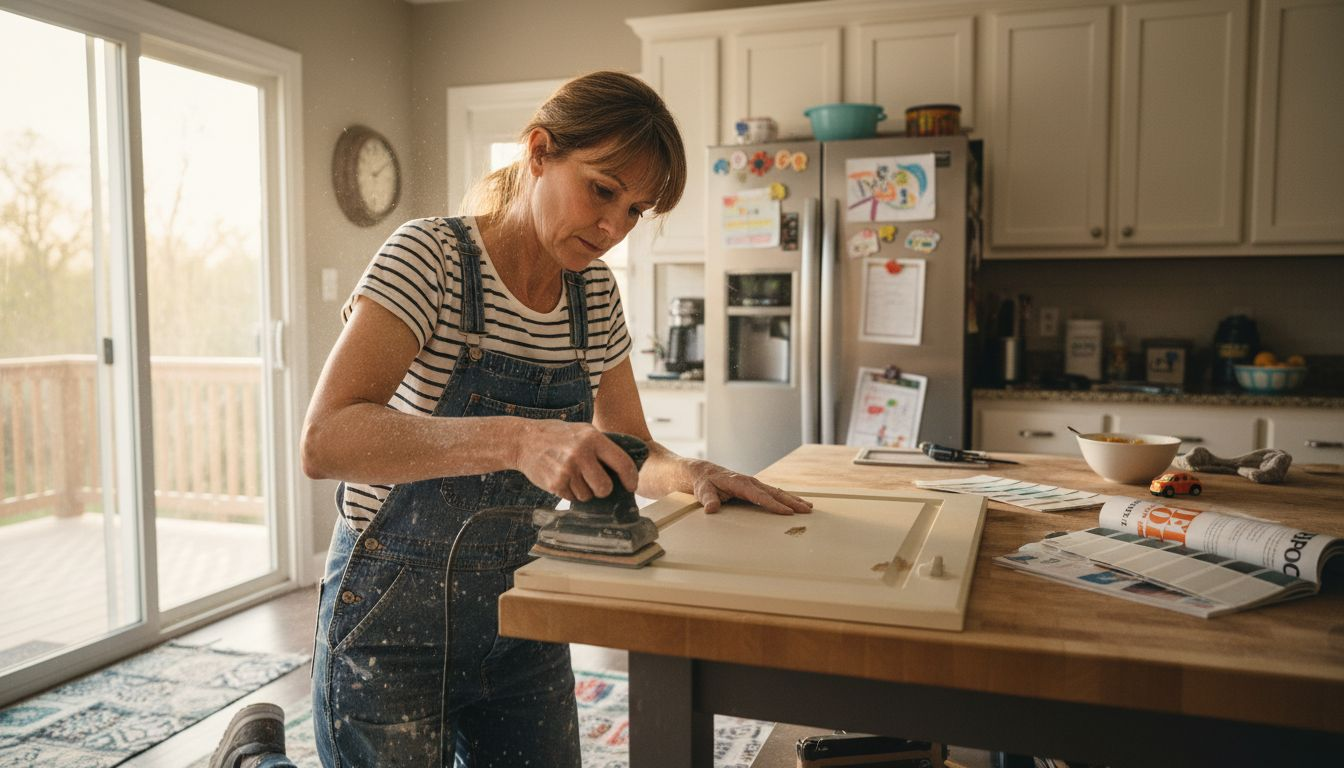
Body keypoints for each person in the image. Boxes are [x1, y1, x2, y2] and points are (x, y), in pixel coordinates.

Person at [211, 70, 810, 768]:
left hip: (523, 615)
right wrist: (522, 438)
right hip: (388, 621)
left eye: (636, 211)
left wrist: (692, 472)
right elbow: (326, 439)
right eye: (603, 190)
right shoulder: (428, 257)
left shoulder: (595, 297)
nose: (613, 227)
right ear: (539, 152)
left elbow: (632, 447)